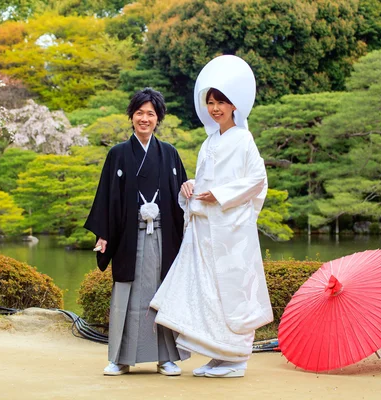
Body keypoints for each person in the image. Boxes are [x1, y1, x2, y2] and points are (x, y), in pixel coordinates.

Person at [150, 55, 274, 378]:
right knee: (208, 293)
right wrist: (189, 187)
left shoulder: (244, 139)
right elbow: (201, 181)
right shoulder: (208, 143)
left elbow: (257, 181)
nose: (215, 108)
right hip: (204, 232)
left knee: (229, 292)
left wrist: (219, 195)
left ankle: (236, 358)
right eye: (210, 101)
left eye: (221, 102)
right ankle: (219, 355)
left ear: (235, 106)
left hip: (231, 234)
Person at [84, 88, 189, 376]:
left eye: (151, 114)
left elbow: (181, 198)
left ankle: (166, 357)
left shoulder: (169, 154)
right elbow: (106, 197)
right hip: (129, 238)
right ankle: (120, 358)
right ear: (131, 117)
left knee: (162, 291)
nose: (145, 119)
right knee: (126, 295)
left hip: (163, 238)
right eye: (140, 113)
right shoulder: (117, 154)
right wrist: (103, 234)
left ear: (158, 119)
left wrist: (190, 187)